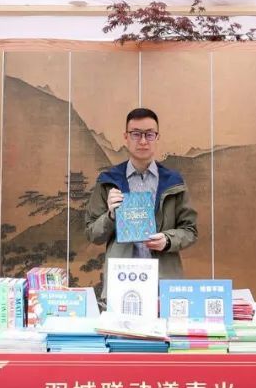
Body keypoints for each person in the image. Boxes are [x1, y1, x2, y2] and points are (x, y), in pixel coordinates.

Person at [85, 107, 198, 279]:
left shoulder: (174, 182)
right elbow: (92, 234)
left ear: (157, 137)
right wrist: (111, 216)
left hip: (163, 279)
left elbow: (190, 230)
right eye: (136, 134)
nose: (143, 141)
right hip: (122, 277)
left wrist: (168, 240)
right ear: (126, 137)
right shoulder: (108, 180)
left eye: (149, 134)